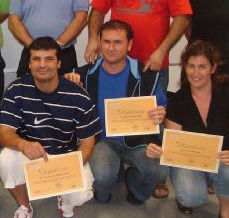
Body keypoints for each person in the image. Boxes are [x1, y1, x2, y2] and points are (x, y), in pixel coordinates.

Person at [0, 37, 102, 218]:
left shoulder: (78, 94)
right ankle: (24, 208)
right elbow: (4, 134)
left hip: (66, 156)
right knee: (5, 159)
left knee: (80, 197)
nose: (42, 65)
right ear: (29, 63)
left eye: (49, 59)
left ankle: (64, 195)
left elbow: (88, 142)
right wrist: (22, 144)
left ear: (59, 63)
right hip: (32, 154)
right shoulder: (16, 90)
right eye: (36, 59)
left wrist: (69, 170)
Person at [147, 40, 229, 218]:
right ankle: (199, 186)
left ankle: (225, 212)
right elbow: (172, 143)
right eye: (191, 66)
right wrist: (159, 150)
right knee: (191, 198)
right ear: (184, 68)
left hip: (221, 156)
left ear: (213, 68)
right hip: (188, 161)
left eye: (202, 66)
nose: (195, 72)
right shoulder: (177, 100)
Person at [65, 20, 167, 205]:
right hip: (101, 140)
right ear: (99, 43)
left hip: (137, 141)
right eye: (106, 42)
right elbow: (66, 111)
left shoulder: (146, 75)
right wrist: (68, 85)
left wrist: (161, 114)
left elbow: (161, 109)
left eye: (118, 42)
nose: (111, 48)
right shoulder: (83, 75)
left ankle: (134, 186)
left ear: (129, 45)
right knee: (103, 180)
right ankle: (108, 180)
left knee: (160, 170)